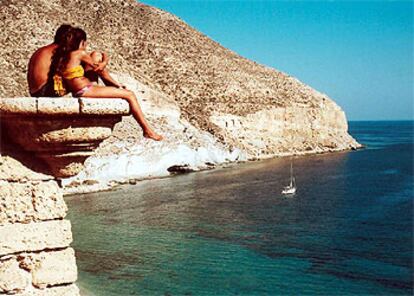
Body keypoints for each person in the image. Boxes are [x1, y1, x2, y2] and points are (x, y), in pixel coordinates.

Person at [53, 27, 163, 141]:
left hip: (82, 88)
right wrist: (105, 59)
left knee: (95, 54)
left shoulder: (65, 55)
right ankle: (147, 130)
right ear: (82, 42)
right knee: (129, 94)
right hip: (85, 89)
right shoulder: (79, 53)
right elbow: (100, 69)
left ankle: (115, 87)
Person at [27, 24, 120, 97]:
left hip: (35, 92)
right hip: (46, 91)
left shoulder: (44, 49)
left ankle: (96, 88)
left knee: (87, 60)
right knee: (94, 56)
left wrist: (104, 60)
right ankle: (94, 89)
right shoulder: (61, 50)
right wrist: (117, 85)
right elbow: (99, 68)